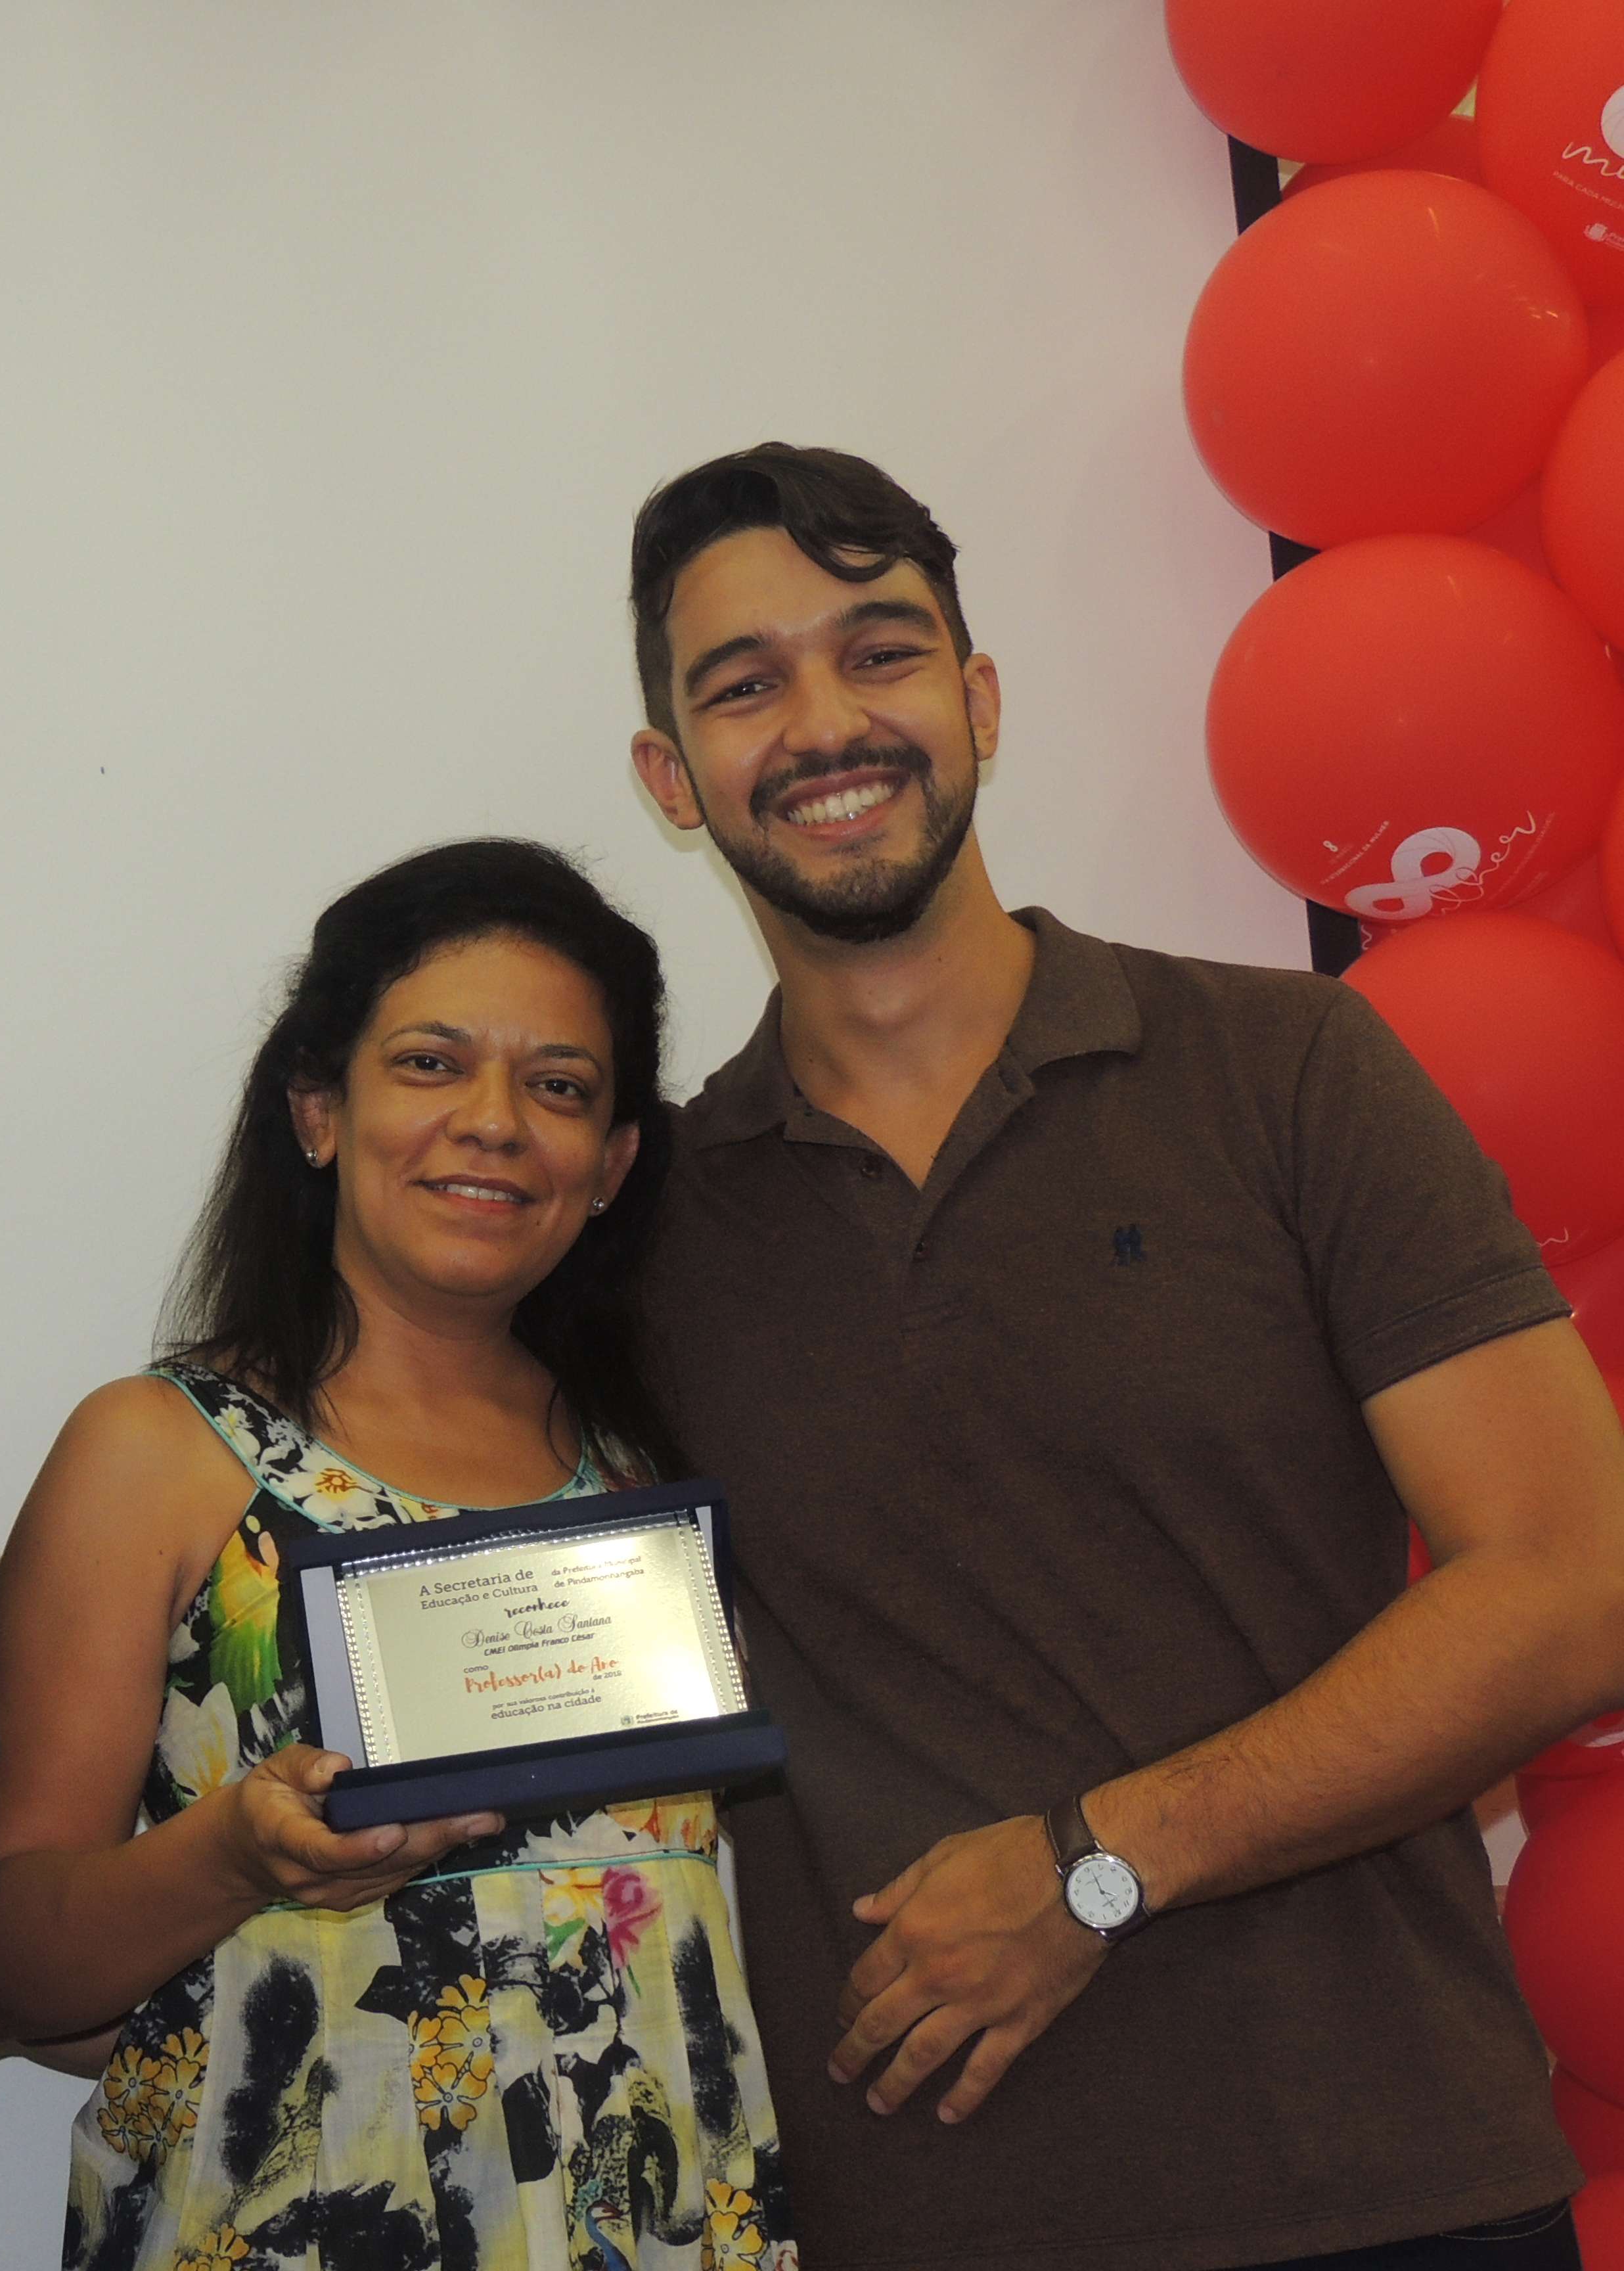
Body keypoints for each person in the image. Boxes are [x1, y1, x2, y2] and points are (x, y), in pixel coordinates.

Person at [621, 442, 1624, 2271]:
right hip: (922, 2229)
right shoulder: (649, 1227)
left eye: (881, 652)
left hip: (1392, 2190)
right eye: (744, 685)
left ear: (980, 700)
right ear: (670, 778)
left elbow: (1571, 1586)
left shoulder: (1288, 1069)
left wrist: (1100, 1864)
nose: (827, 723)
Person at [0, 840, 791, 2271]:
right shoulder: (161, 1453)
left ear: (612, 1165)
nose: (494, 1124)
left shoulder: (647, 1481)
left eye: (559, 1087)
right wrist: (237, 1857)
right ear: (317, 1111)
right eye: (429, 1064)